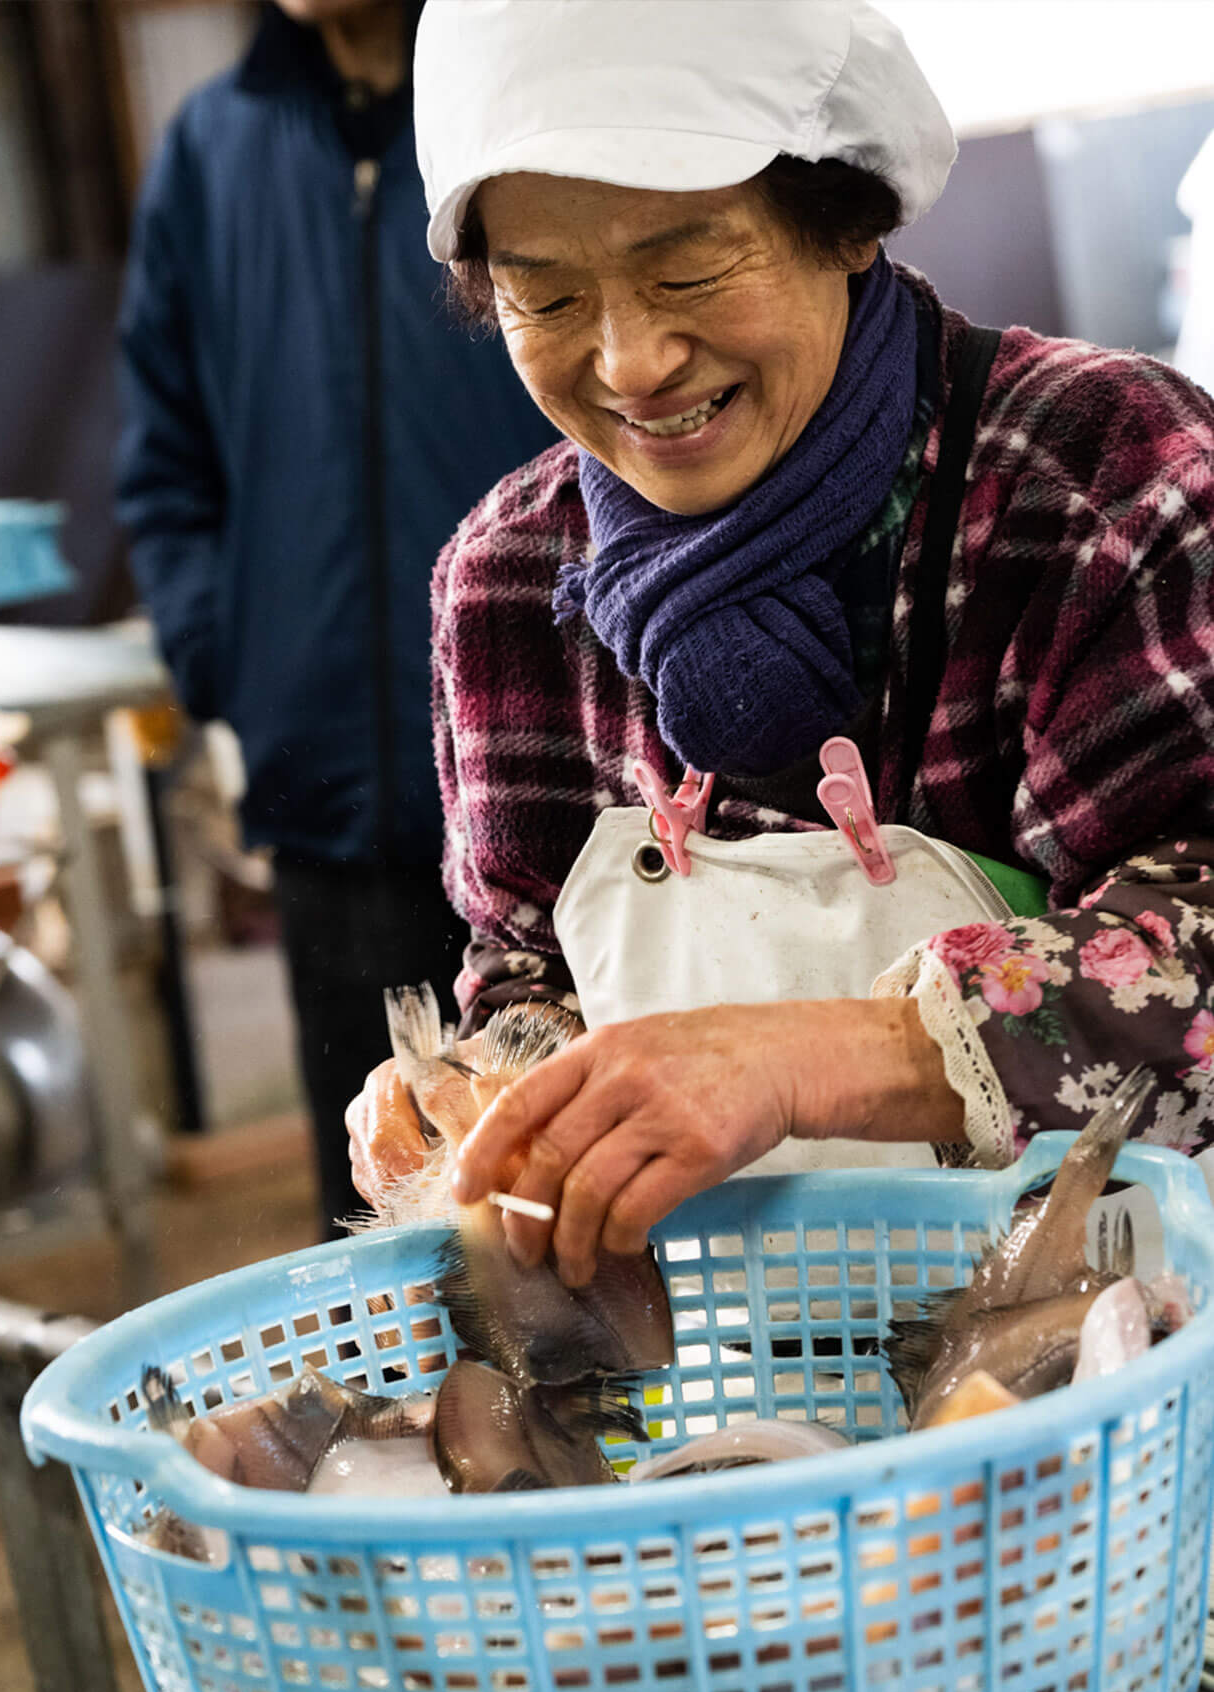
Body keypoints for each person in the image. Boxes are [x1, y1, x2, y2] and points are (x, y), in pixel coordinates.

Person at [347, 0, 1214, 1286]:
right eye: (549, 295)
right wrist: (493, 1088)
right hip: (723, 1367)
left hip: (1123, 1337)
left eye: (687, 271)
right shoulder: (510, 584)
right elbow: (531, 972)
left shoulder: (1097, 482)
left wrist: (808, 1059)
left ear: (845, 218)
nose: (631, 361)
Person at [116, 0, 557, 1234]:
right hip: (323, 786)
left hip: (548, 770)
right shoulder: (213, 147)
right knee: (366, 1204)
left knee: (553, 1198)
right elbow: (163, 454)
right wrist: (225, 659)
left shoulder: (520, 88)